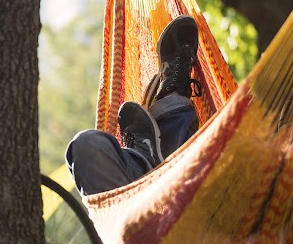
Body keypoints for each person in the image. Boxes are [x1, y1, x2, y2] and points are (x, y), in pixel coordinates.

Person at [66, 15, 203, 196]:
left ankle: (147, 159)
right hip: (178, 199)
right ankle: (173, 111)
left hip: (134, 192)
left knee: (86, 145)